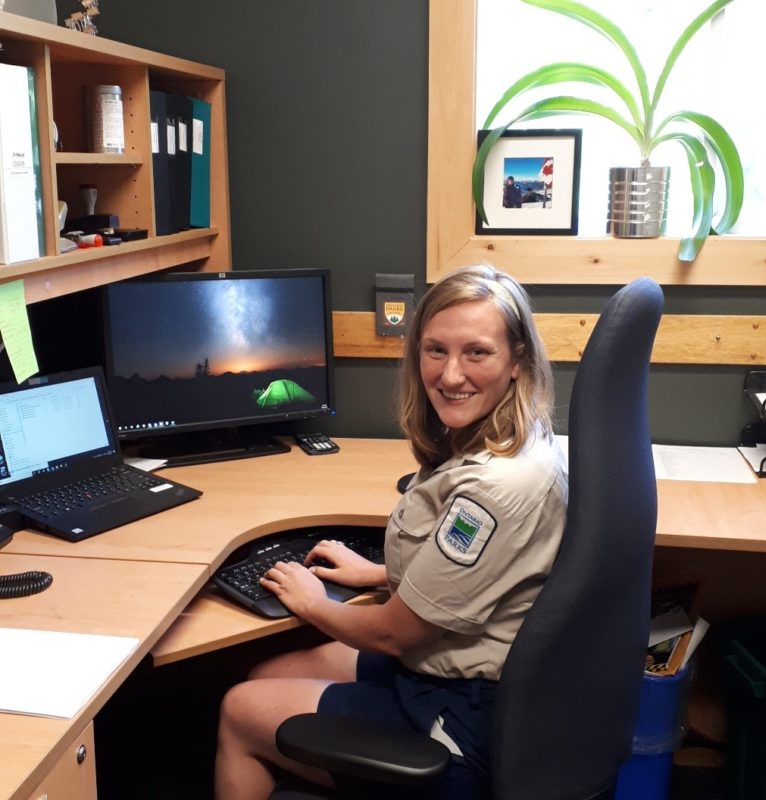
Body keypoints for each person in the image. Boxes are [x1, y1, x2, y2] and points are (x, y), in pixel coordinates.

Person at [215, 264, 568, 800]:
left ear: (517, 361)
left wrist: (313, 603)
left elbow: (392, 634)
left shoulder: (494, 489)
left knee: (239, 710)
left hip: (458, 714)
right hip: (452, 665)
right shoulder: (513, 436)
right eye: (435, 350)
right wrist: (379, 571)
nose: (450, 375)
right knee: (265, 671)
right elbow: (485, 572)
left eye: (476, 352)